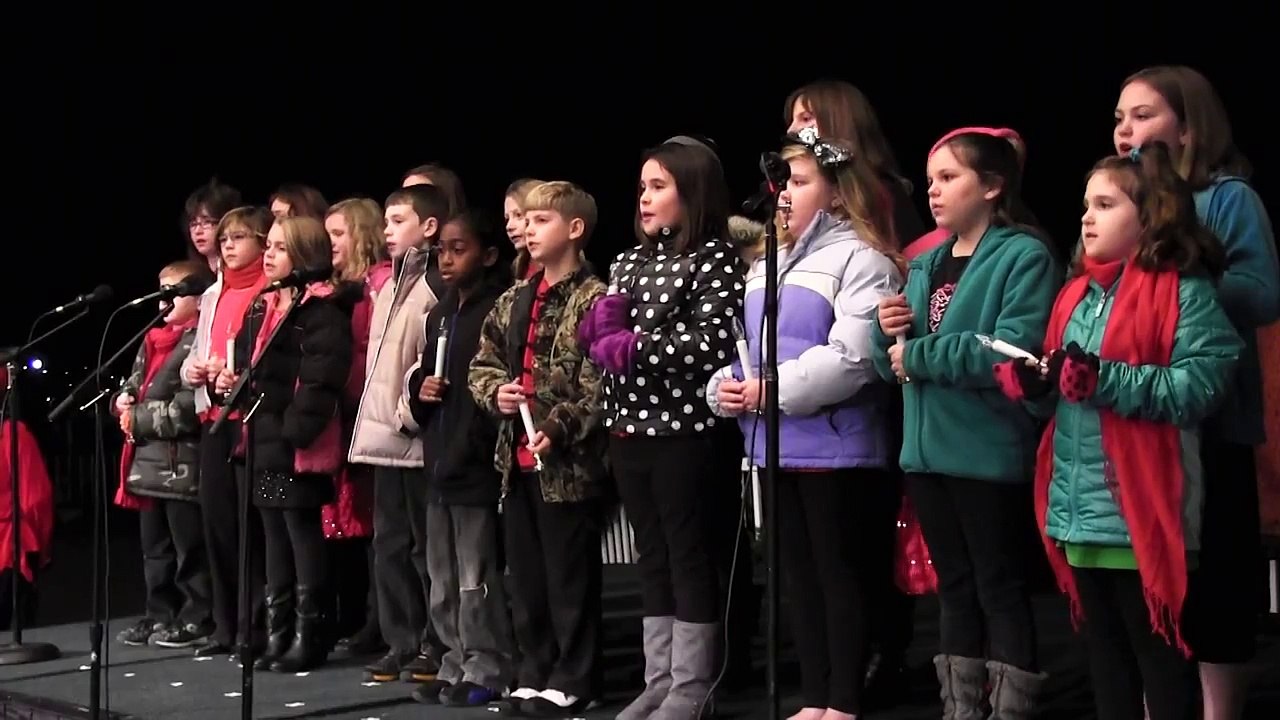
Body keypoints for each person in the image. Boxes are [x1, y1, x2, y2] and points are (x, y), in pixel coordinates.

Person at [995, 143, 1242, 720]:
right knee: (1106, 667)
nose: (1086, 217)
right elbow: (1065, 397)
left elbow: (1199, 387)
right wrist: (1038, 385)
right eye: (1086, 204)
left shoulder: (1186, 291)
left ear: (1150, 216)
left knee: (1159, 665)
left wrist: (1102, 379)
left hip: (1141, 522)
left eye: (1104, 204)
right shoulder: (1076, 293)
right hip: (1080, 514)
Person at [469, 181, 609, 715]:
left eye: (542, 220)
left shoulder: (593, 297)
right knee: (526, 576)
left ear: (574, 229)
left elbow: (600, 381)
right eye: (525, 220)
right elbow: (482, 365)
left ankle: (577, 676)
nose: (528, 229)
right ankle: (536, 669)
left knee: (568, 577)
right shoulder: (513, 298)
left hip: (567, 466)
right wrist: (495, 393)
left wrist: (561, 423)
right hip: (518, 463)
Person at [405, 211, 514, 707]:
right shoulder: (440, 312)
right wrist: (419, 390)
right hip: (438, 463)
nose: (446, 259)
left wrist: (477, 448)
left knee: (476, 578)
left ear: (488, 255)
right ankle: (453, 659)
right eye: (441, 251)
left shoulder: (496, 310)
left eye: (458, 249)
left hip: (474, 468)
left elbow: (490, 392)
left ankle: (487, 664)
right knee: (443, 578)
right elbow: (426, 379)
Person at [112, 260, 215, 649]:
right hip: (147, 465)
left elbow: (190, 407)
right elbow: (136, 383)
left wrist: (136, 418)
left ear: (200, 299)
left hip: (181, 465)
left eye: (174, 293)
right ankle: (160, 614)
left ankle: (197, 615)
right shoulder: (152, 339)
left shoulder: (199, 341)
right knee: (154, 549)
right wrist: (122, 400)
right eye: (160, 291)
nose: (163, 301)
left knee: (189, 548)